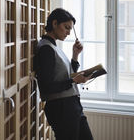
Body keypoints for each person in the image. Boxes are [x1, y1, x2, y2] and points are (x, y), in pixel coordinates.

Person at [34, 8, 94, 140]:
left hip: (71, 105)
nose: (68, 33)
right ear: (55, 23)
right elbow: (46, 87)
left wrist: (75, 55)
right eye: (66, 27)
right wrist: (74, 81)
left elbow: (68, 74)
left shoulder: (54, 47)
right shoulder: (46, 49)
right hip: (61, 108)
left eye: (70, 29)